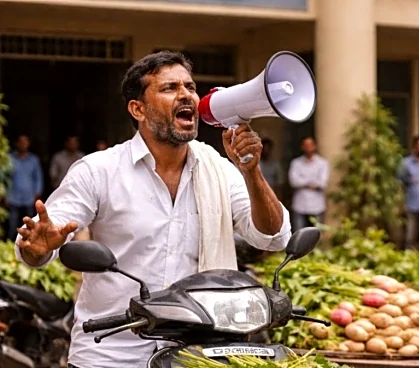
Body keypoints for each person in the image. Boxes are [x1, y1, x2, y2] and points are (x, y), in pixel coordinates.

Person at [14, 51, 291, 368]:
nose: (186, 94)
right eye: (170, 88)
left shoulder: (219, 169)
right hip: (111, 356)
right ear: (138, 109)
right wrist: (40, 245)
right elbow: (39, 243)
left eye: (189, 86)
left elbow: (273, 237)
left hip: (198, 357)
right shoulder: (98, 170)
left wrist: (251, 171)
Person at [288, 136, 329, 230]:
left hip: (317, 205)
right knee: (299, 235)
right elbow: (293, 182)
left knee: (317, 235)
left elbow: (322, 183)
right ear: (302, 147)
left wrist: (303, 181)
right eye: (306, 145)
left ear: (315, 146)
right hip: (300, 205)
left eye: (310, 145)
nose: (308, 148)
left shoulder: (322, 163)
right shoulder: (296, 163)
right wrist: (312, 182)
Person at [7, 135, 43, 241]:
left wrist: (37, 193)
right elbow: (5, 177)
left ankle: (28, 244)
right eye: (21, 142)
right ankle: (10, 244)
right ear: (17, 144)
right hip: (13, 196)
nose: (23, 145)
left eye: (25, 142)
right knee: (12, 224)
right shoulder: (10, 158)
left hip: (29, 196)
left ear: (29, 144)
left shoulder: (34, 160)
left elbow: (38, 178)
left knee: (29, 224)